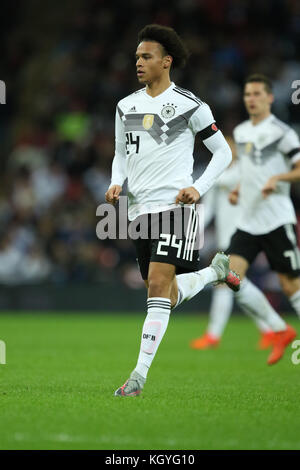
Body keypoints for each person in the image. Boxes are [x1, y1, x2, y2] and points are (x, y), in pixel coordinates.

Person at [105, 24, 240, 397]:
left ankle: (138, 377)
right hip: (138, 210)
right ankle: (214, 273)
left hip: (176, 208)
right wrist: (117, 181)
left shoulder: (189, 104)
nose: (139, 62)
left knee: (160, 285)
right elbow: (120, 153)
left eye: (146, 57)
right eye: (136, 57)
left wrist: (197, 187)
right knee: (160, 291)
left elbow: (223, 153)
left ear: (166, 61)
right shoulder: (125, 105)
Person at [219, 74, 300, 365]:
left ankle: (281, 329)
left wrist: (278, 177)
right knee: (229, 276)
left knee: (291, 286)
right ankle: (280, 329)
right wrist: (239, 189)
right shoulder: (241, 132)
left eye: (256, 94)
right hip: (249, 220)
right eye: (247, 94)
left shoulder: (282, 132)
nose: (250, 99)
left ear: (270, 97)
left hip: (277, 218)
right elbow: (247, 168)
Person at [190, 138, 276, 351]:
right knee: (235, 285)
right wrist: (193, 232)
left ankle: (214, 336)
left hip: (242, 238)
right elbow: (208, 210)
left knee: (226, 285)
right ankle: (270, 330)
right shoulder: (219, 179)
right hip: (225, 239)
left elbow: (227, 179)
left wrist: (206, 180)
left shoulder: (242, 173)